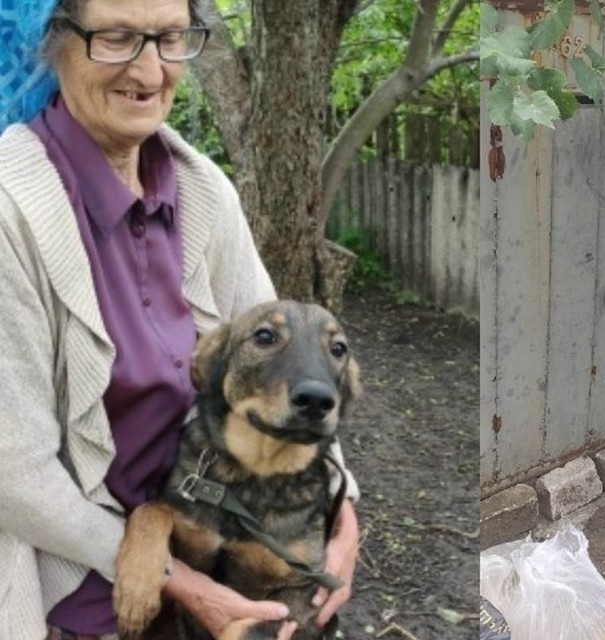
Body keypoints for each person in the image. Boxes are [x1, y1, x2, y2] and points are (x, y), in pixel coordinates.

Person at [0, 1, 360, 638]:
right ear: (55, 42)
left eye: (170, 38)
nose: (149, 70)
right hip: (74, 592)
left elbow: (286, 363)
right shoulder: (11, 211)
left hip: (213, 550)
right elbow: (13, 472)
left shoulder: (202, 189)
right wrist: (175, 577)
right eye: (117, 38)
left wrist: (342, 507)